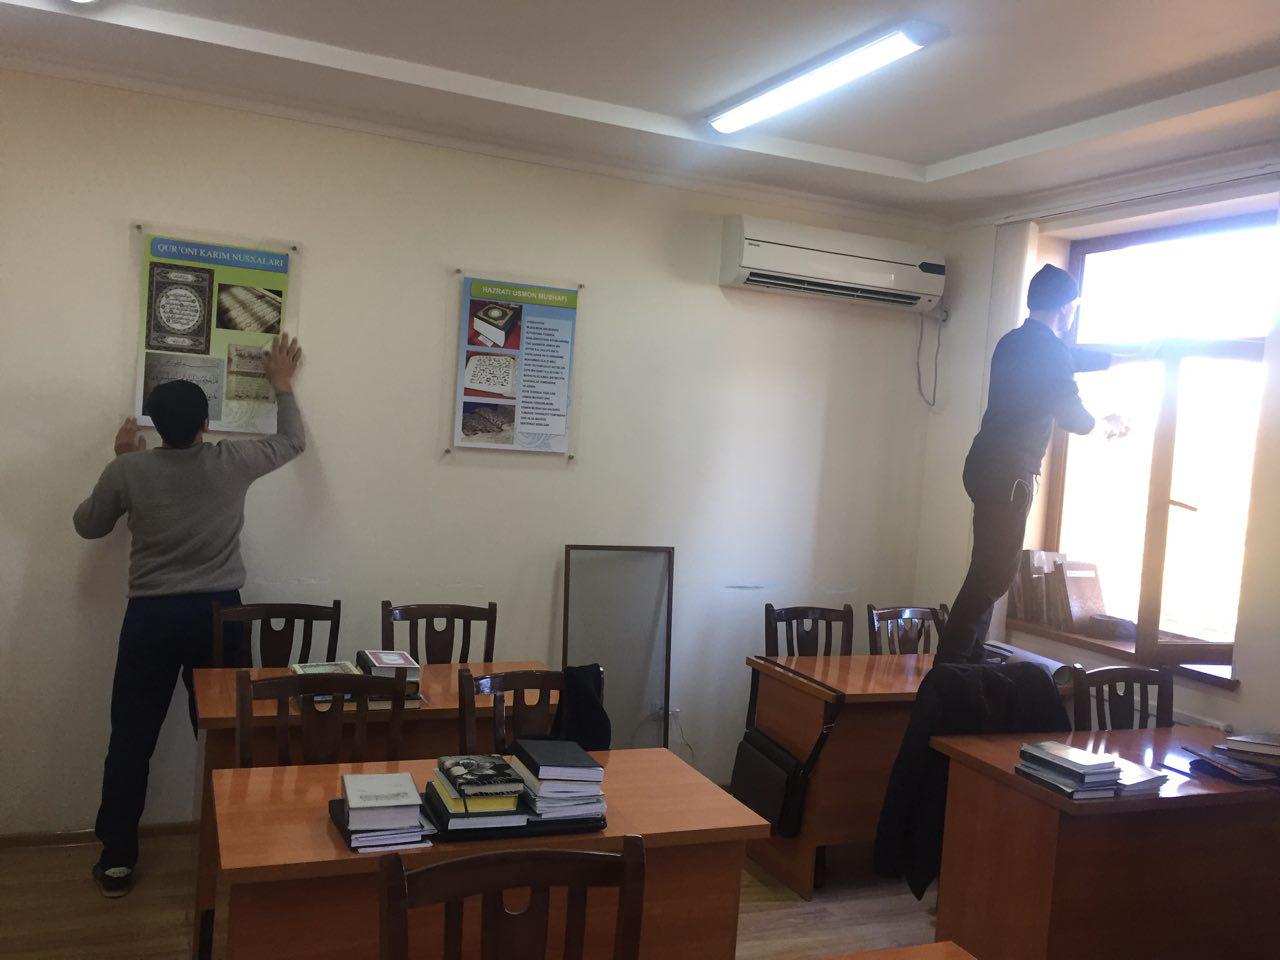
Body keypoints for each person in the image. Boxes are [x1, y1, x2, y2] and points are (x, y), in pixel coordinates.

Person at [74, 334, 305, 897]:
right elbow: (292, 441)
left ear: (154, 426)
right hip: (219, 615)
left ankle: (117, 860)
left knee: (132, 738)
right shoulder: (231, 460)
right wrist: (281, 385)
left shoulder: (129, 470)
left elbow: (88, 525)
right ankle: (241, 845)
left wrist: (121, 461)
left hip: (151, 618)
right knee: (229, 732)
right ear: (206, 424)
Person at [934, 266, 1133, 663]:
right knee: (995, 571)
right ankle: (952, 662)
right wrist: (1106, 423)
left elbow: (1069, 359)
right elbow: (1073, 415)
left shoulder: (1014, 341)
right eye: (1074, 307)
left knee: (988, 565)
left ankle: (967, 654)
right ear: (1066, 308)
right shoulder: (1050, 351)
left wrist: (1124, 357)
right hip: (1011, 473)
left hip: (985, 464)